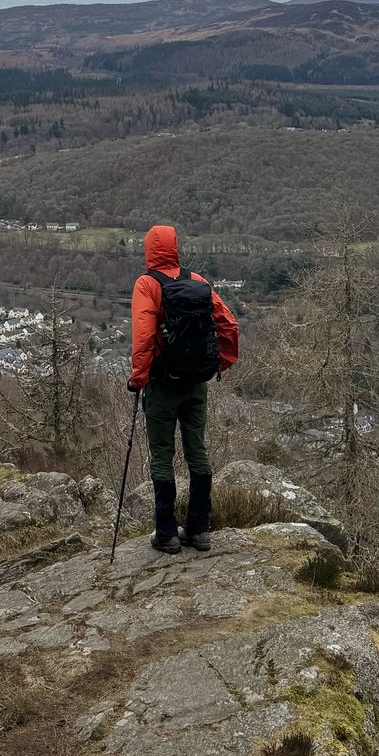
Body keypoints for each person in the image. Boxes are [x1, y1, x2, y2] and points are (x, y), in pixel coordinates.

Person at [127, 224, 239, 554]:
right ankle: (199, 529)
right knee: (197, 451)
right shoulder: (198, 282)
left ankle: (166, 534)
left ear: (149, 250)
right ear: (175, 247)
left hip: (163, 385)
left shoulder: (147, 284)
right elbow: (228, 324)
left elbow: (144, 337)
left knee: (162, 456)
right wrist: (221, 362)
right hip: (196, 383)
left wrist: (138, 378)